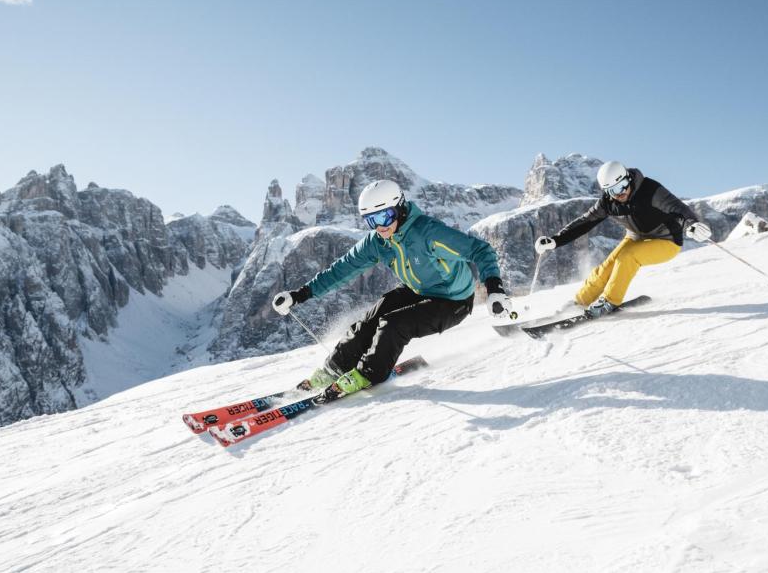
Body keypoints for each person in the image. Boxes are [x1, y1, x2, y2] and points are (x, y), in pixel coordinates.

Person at [272, 179, 512, 400]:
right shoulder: (377, 242)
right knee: (369, 321)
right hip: (418, 289)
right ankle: (333, 369)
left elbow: (480, 250)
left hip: (453, 300)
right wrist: (299, 294)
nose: (380, 227)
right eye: (371, 220)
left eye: (385, 217)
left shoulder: (427, 232)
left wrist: (494, 288)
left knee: (395, 324)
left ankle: (369, 374)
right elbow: (341, 269)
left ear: (400, 208)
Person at [533, 161, 711, 316]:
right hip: (636, 237)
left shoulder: (650, 190)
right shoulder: (608, 202)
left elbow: (677, 208)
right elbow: (585, 222)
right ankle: (580, 302)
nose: (620, 194)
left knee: (627, 258)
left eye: (622, 186)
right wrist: (555, 240)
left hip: (667, 240)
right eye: (612, 191)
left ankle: (610, 301)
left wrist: (691, 224)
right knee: (607, 266)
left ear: (628, 178)